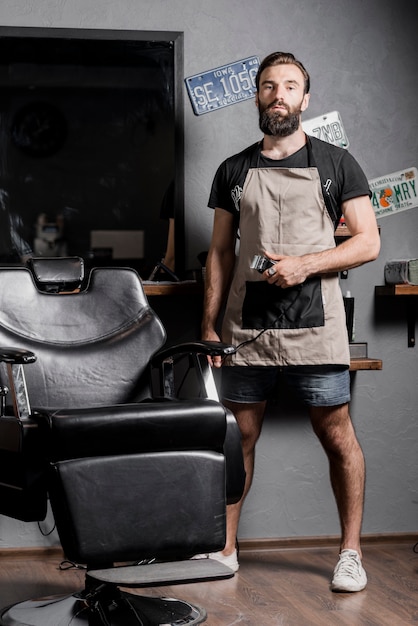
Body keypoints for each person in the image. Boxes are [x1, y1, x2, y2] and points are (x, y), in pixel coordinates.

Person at [197, 51, 380, 592]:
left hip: (315, 322)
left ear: (305, 99)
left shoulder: (337, 163)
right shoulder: (232, 170)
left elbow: (368, 241)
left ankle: (350, 553)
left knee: (336, 433)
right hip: (246, 326)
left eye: (290, 86)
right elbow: (219, 255)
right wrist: (207, 327)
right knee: (240, 436)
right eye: (269, 86)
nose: (279, 94)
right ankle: (225, 548)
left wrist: (304, 264)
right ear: (257, 96)